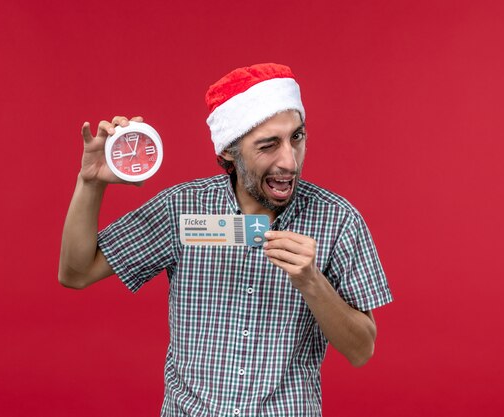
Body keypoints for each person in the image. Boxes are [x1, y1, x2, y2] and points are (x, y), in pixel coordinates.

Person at [58, 63, 393, 416]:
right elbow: (76, 272)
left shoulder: (337, 220)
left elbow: (362, 350)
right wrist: (91, 182)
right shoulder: (183, 209)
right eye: (269, 145)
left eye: (297, 137)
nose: (289, 161)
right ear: (228, 153)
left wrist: (312, 282)